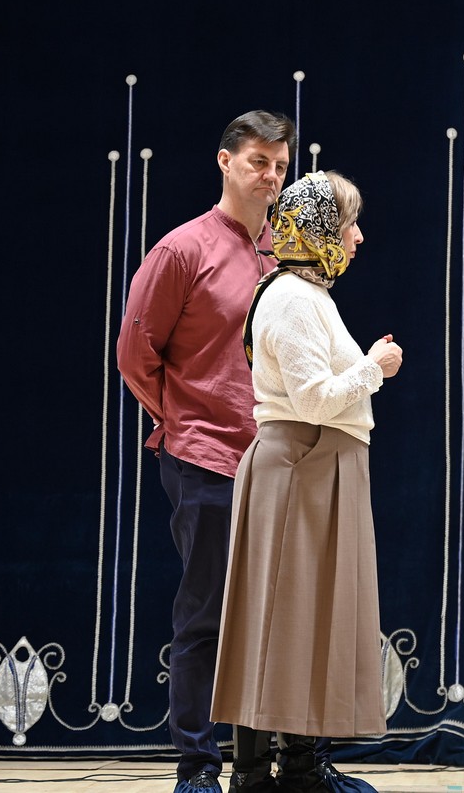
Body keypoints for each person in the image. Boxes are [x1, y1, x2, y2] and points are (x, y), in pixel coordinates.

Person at [118, 110, 295, 793]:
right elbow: (135, 353)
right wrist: (182, 420)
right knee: (206, 616)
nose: (271, 176)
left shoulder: (286, 254)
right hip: (205, 458)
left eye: (280, 165)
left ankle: (270, 765)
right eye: (258, 161)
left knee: (278, 616)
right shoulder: (182, 249)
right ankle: (197, 767)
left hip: (278, 458)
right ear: (225, 162)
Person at [210, 170, 402, 793]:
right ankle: (252, 776)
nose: (358, 237)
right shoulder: (292, 297)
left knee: (304, 618)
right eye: (348, 224)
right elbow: (315, 399)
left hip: (316, 468)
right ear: (319, 231)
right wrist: (375, 367)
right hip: (300, 465)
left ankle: (297, 767)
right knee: (273, 618)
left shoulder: (309, 294)